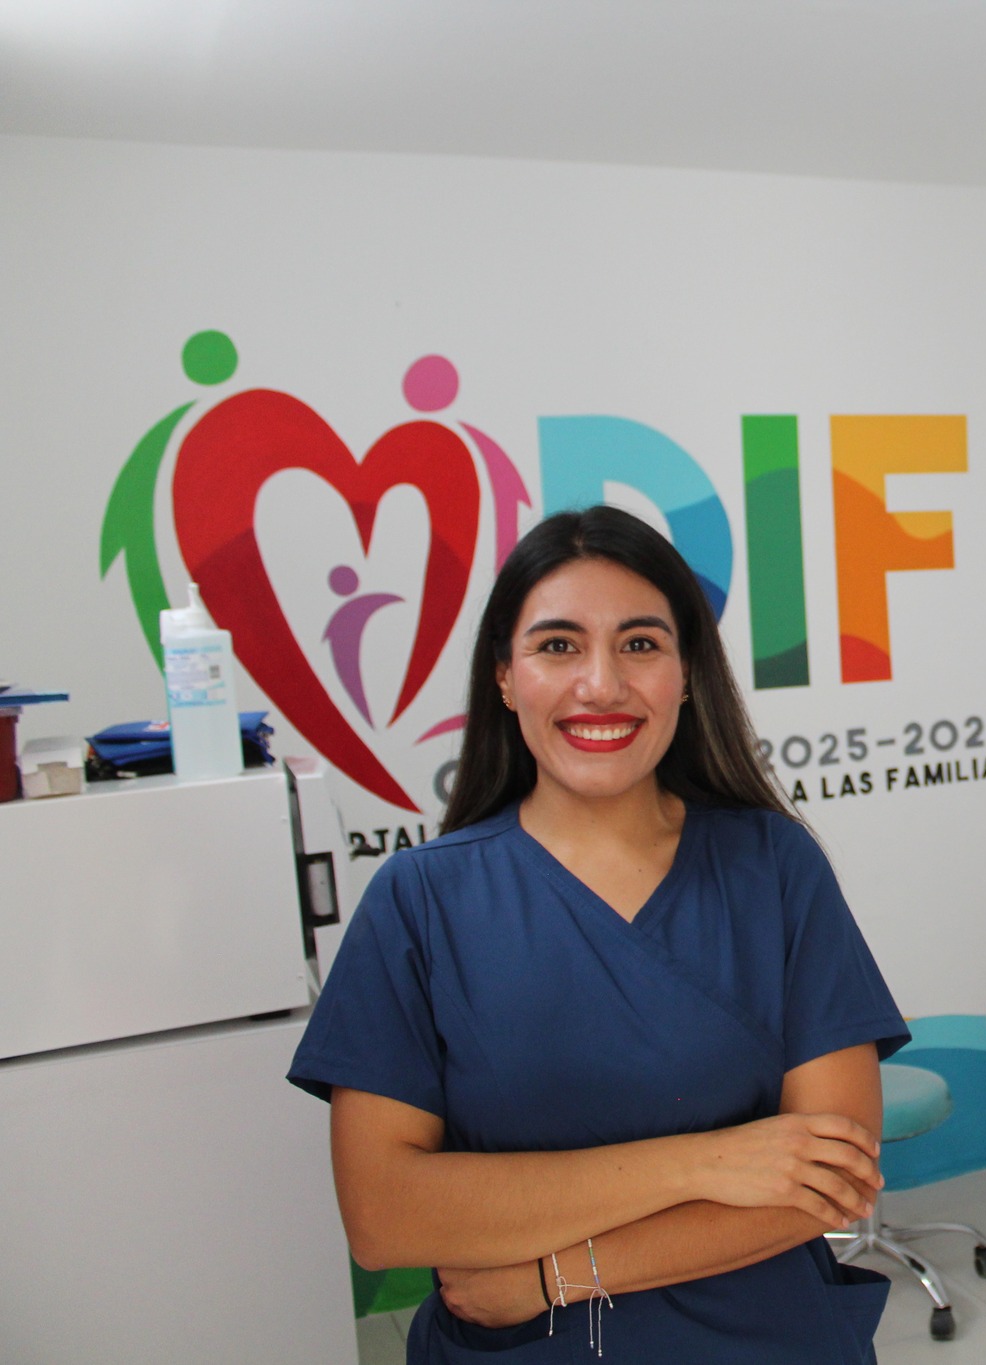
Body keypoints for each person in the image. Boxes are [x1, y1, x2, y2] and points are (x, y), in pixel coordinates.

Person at [289, 506, 908, 1363]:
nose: (601, 684)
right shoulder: (420, 901)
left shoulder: (773, 866)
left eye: (640, 643)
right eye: (558, 645)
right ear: (505, 676)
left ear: (686, 674)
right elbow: (383, 1214)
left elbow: (830, 1177)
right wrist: (706, 1161)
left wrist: (555, 1275)